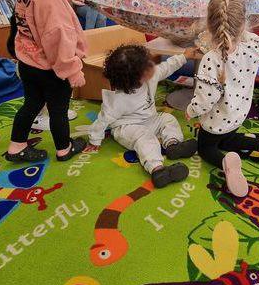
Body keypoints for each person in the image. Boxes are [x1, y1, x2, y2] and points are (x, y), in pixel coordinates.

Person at [5, 0, 90, 163]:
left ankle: (16, 146)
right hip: (52, 68)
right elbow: (58, 40)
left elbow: (41, 1)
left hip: (28, 63)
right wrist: (72, 71)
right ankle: (64, 148)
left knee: (31, 104)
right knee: (58, 110)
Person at [185, 0, 259, 197]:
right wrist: (243, 33)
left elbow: (206, 99)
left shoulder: (210, 59)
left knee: (206, 148)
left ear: (210, 26)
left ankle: (227, 163)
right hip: (238, 115)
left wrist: (190, 110)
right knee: (228, 140)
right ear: (244, 25)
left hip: (215, 122)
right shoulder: (255, 49)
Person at [82, 44, 202, 188]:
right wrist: (94, 140)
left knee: (168, 119)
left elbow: (167, 66)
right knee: (146, 138)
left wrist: (185, 56)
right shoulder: (118, 100)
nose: (152, 67)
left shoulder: (149, 75)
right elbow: (102, 120)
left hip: (149, 119)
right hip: (126, 128)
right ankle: (158, 170)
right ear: (138, 78)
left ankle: (173, 145)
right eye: (148, 66)